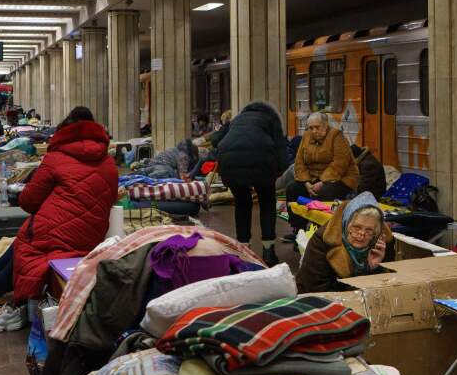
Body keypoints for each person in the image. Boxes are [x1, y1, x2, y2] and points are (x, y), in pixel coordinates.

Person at [0, 107, 119, 333]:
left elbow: (28, 201)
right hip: (91, 236)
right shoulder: (109, 162)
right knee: (26, 237)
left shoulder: (56, 158)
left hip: (59, 238)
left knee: (28, 240)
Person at [215, 101, 288, 266]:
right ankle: (268, 251)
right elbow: (280, 147)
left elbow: (216, 139)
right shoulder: (271, 119)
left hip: (230, 162)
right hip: (262, 160)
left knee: (242, 203)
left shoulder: (237, 119)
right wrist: (280, 170)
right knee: (267, 202)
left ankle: (243, 250)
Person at [296, 191, 395, 293]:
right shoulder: (323, 240)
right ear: (346, 224)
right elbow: (317, 288)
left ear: (376, 232)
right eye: (356, 227)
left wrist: (375, 268)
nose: (362, 234)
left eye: (369, 230)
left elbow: (389, 284)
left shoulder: (382, 243)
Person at [285, 112, 359, 236]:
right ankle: (299, 229)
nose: (313, 131)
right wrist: (306, 182)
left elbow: (340, 163)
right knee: (292, 189)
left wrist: (323, 182)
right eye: (310, 128)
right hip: (312, 179)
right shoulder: (306, 136)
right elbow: (299, 162)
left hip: (341, 179)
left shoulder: (337, 136)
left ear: (325, 125)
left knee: (324, 192)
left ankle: (320, 232)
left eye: (317, 127)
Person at [135, 139, 200, 180]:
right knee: (170, 173)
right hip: (162, 167)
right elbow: (182, 176)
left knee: (146, 172)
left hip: (152, 165)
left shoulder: (174, 149)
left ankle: (141, 173)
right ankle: (147, 178)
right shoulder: (184, 156)